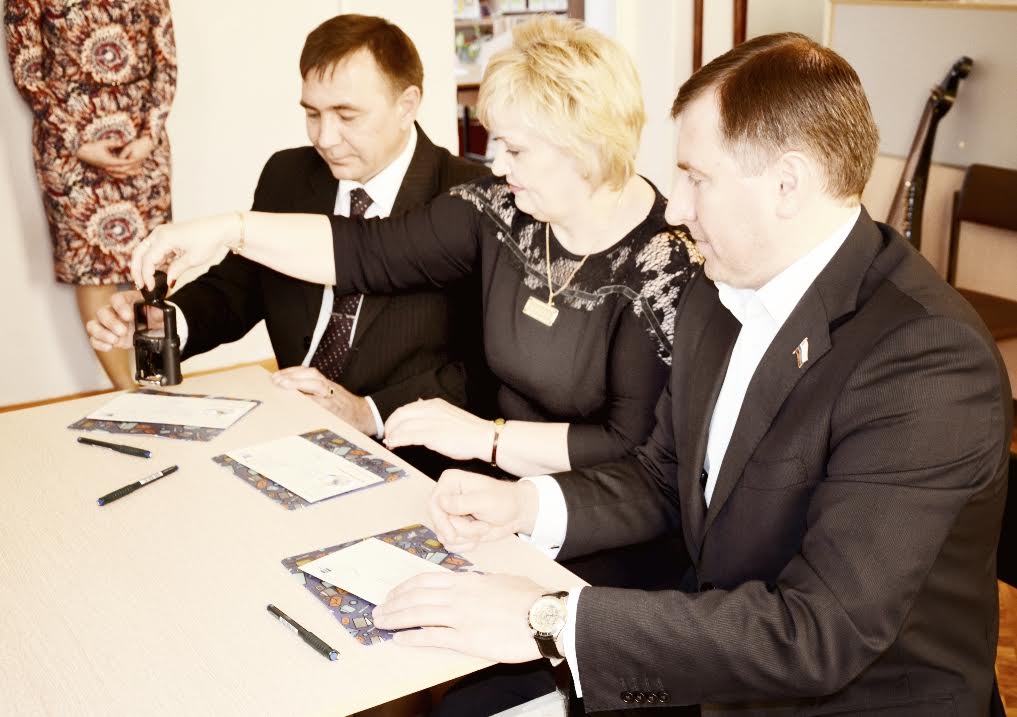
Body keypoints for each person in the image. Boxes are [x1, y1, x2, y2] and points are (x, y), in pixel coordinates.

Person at [365, 33, 1013, 716]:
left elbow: (820, 634)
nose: (673, 209)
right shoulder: (715, 291)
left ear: (787, 184)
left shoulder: (926, 359)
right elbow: (662, 478)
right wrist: (525, 506)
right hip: (715, 662)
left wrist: (548, 620)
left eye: (696, 179)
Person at [128, 16, 702, 501]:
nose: (498, 165)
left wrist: (487, 439)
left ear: (586, 145)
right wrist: (229, 230)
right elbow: (368, 251)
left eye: (515, 148)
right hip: (491, 487)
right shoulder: (499, 207)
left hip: (593, 508)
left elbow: (632, 447)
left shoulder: (663, 263)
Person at [86, 15, 490, 474]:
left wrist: (369, 413)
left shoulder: (468, 197)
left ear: (407, 104)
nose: (324, 138)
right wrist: (169, 322)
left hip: (417, 457)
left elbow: (482, 370)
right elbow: (238, 289)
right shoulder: (289, 174)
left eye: (346, 115)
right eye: (312, 114)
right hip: (291, 432)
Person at [5, 0, 176, 389]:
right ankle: (127, 390)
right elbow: (27, 70)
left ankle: (160, 381)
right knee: (92, 271)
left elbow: (165, 59)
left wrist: (149, 136)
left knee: (154, 267)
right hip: (70, 146)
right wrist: (75, 141)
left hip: (142, 140)